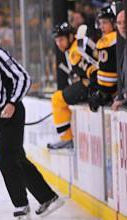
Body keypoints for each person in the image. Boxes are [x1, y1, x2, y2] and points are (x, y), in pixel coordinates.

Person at [0, 20, 63, 220]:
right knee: (16, 157)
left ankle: (21, 206)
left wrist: (12, 102)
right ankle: (48, 197)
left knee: (5, 158)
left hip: (12, 112)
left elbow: (23, 77)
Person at [47, 22, 95, 150]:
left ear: (70, 36)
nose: (59, 43)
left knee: (57, 99)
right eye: (57, 41)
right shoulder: (74, 47)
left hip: (91, 86)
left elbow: (92, 72)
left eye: (61, 39)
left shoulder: (75, 51)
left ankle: (66, 139)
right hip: (91, 84)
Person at [88, 6, 118, 112]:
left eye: (104, 22)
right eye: (100, 23)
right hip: (109, 91)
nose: (101, 26)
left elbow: (109, 72)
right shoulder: (107, 39)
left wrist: (103, 93)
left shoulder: (113, 39)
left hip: (112, 91)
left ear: (114, 23)